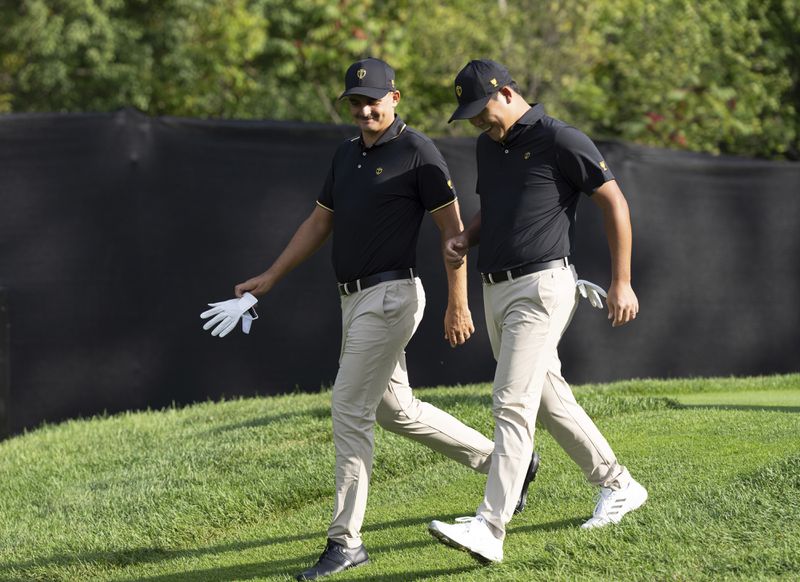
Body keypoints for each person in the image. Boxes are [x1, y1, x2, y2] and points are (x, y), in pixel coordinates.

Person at [225, 58, 540, 581]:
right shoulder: (346, 154)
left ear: (395, 98)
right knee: (396, 411)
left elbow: (454, 232)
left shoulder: (419, 152)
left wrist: (457, 301)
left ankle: (345, 541)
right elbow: (318, 221)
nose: (365, 108)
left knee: (349, 407)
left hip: (391, 296)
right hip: (354, 300)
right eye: (355, 101)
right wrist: (272, 276)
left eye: (374, 99)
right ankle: (506, 460)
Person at [428, 59, 648, 564]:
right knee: (546, 400)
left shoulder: (561, 138)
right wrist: (467, 236)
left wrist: (621, 282)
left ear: (505, 92)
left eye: (480, 109)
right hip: (495, 289)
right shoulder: (490, 145)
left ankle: (490, 525)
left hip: (542, 288)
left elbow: (614, 203)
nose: (477, 122)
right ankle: (619, 484)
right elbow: (498, 208)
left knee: (510, 401)